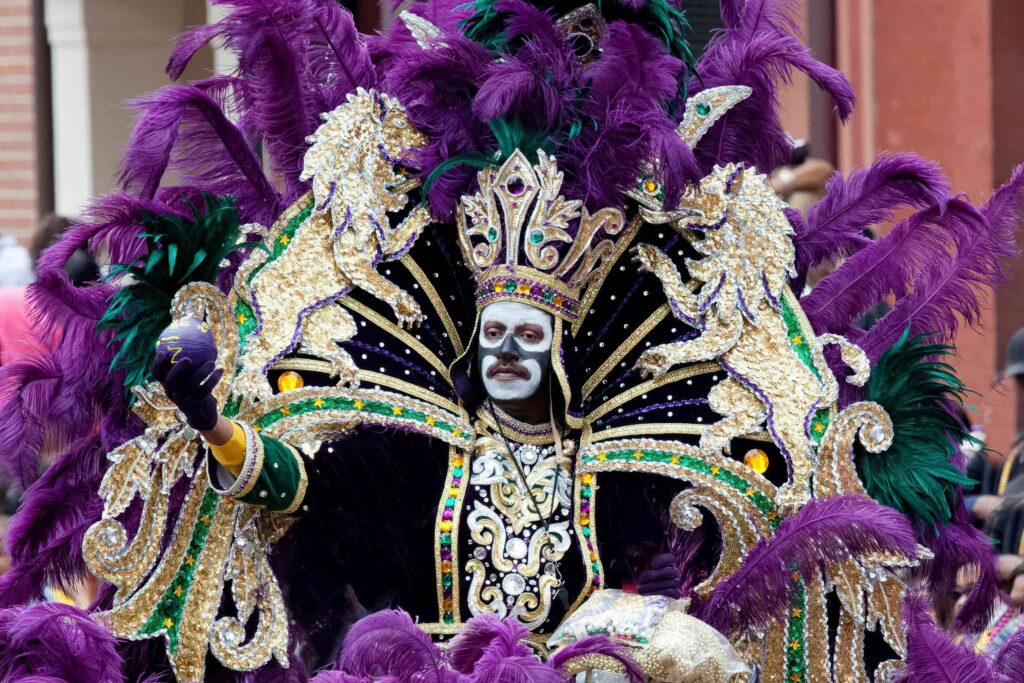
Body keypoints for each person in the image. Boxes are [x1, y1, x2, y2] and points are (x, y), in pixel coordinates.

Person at [0, 2, 1021, 683]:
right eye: (493, 334)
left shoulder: (618, 457)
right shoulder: (424, 445)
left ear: (564, 346)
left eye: (528, 332)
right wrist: (216, 421)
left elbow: (719, 531)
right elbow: (294, 479)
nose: (508, 351)